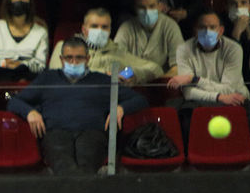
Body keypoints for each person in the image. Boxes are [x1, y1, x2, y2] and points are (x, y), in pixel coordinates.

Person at [8, 36, 147, 174]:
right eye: (69, 58)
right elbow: (14, 101)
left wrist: (121, 108)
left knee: (86, 166)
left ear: (88, 59)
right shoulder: (47, 78)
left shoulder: (103, 80)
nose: (73, 62)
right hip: (55, 132)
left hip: (92, 132)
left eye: (79, 58)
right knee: (64, 166)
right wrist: (29, 112)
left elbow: (140, 100)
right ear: (61, 60)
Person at [166, 12, 249, 130]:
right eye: (202, 27)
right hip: (202, 102)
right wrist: (218, 97)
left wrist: (194, 79)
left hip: (233, 99)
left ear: (221, 30)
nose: (207, 31)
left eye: (212, 27)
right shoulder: (183, 49)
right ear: (195, 30)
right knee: (184, 119)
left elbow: (229, 89)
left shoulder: (233, 49)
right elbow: (188, 92)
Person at [49, 8, 163, 84]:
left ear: (110, 30)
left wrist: (126, 73)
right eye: (94, 26)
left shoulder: (118, 51)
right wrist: (103, 77)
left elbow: (155, 69)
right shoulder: (64, 47)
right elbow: (57, 76)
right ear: (84, 29)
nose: (100, 31)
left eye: (104, 27)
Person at [0, 0, 48, 82]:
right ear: (8, 2)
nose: (19, 0)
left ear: (30, 2)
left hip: (27, 75)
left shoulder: (40, 32)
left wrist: (21, 65)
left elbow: (41, 65)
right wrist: (4, 63)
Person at [114, 0, 183, 76]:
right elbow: (115, 61)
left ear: (159, 6)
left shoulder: (170, 27)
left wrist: (158, 83)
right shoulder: (126, 28)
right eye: (142, 7)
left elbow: (178, 66)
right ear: (135, 8)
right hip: (131, 80)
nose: (147, 11)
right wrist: (126, 76)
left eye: (151, 6)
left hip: (161, 81)